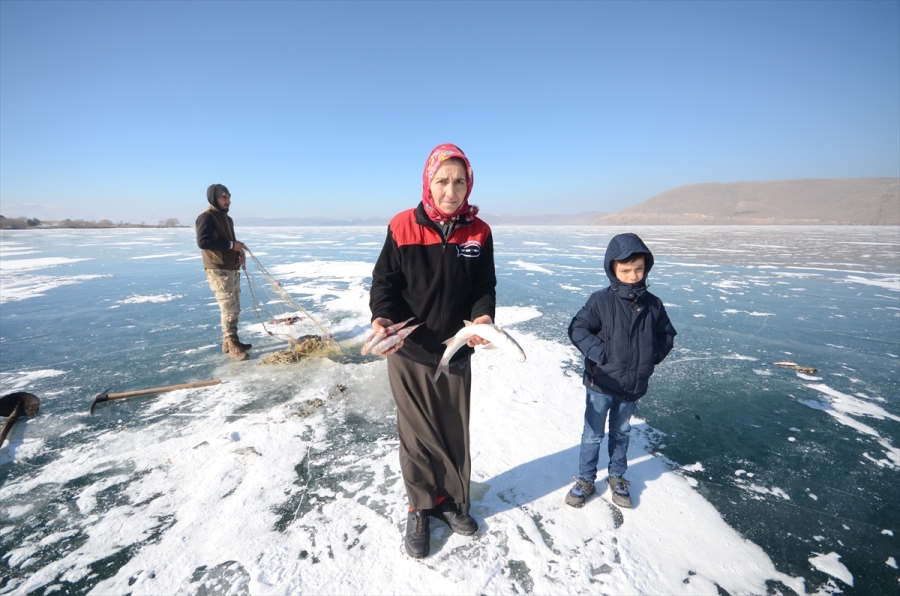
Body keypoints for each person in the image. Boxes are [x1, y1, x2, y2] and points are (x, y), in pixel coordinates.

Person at [369, 143, 496, 558]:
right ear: (428, 181)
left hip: (455, 349)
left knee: (454, 431)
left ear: (469, 184)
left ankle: (452, 503)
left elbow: (483, 288)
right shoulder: (403, 225)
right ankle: (421, 506)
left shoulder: (479, 232)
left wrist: (482, 319)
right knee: (417, 435)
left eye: (460, 181)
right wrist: (383, 319)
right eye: (443, 180)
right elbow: (384, 284)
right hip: (409, 350)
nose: (451, 190)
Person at [565, 233, 676, 509]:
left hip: (632, 385)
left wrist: (649, 358)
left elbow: (667, 334)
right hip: (601, 382)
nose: (633, 276)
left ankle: (617, 476)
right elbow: (577, 329)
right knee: (592, 433)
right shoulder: (600, 301)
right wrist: (600, 355)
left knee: (622, 432)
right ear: (612, 269)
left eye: (638, 269)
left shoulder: (653, 304)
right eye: (625, 270)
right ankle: (586, 479)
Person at [196, 183, 251, 361]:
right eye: (224, 197)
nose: (228, 201)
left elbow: (231, 241)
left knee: (235, 307)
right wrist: (230, 246)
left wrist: (239, 252)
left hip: (231, 267)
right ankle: (232, 344)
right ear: (214, 198)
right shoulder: (207, 217)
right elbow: (203, 242)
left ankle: (229, 342)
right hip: (218, 269)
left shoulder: (227, 219)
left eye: (229, 197)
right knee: (229, 308)